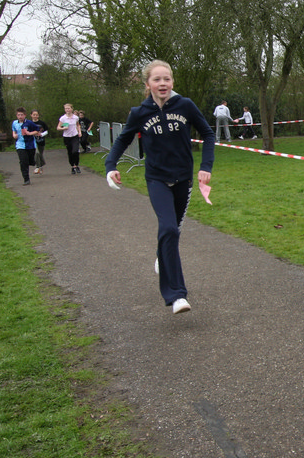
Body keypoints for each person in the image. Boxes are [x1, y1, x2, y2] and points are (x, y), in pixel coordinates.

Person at [104, 60, 215, 315]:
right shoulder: (139, 112)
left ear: (172, 82)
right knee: (169, 229)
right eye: (157, 79)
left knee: (172, 231)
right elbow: (122, 140)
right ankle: (177, 295)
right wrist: (111, 166)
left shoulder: (185, 105)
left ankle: (161, 257)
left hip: (183, 179)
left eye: (167, 79)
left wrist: (205, 166)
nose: (163, 84)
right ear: (148, 84)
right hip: (157, 180)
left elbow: (208, 134)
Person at [11, 107, 40, 185]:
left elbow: (37, 130)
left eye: (21, 115)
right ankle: (26, 179)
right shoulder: (14, 123)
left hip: (30, 145)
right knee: (23, 162)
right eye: (18, 115)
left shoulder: (29, 123)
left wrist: (30, 133)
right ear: (16, 115)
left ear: (25, 115)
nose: (20, 116)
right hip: (20, 145)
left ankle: (32, 162)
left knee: (30, 161)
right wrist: (14, 135)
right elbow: (14, 131)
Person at [57, 103, 81, 174]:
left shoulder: (76, 117)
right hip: (67, 137)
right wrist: (64, 128)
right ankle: (73, 166)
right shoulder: (63, 118)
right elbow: (58, 127)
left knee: (75, 151)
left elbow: (78, 125)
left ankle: (77, 165)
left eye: (68, 108)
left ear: (72, 109)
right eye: (66, 108)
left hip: (75, 136)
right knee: (70, 152)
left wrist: (79, 132)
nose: (67, 110)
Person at [31, 110, 49, 174]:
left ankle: (41, 166)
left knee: (40, 154)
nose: (35, 116)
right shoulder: (29, 123)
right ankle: (37, 167)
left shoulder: (42, 123)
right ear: (31, 115)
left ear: (38, 115)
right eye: (34, 115)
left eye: (36, 115)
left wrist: (41, 134)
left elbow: (46, 131)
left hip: (41, 141)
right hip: (33, 141)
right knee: (36, 153)